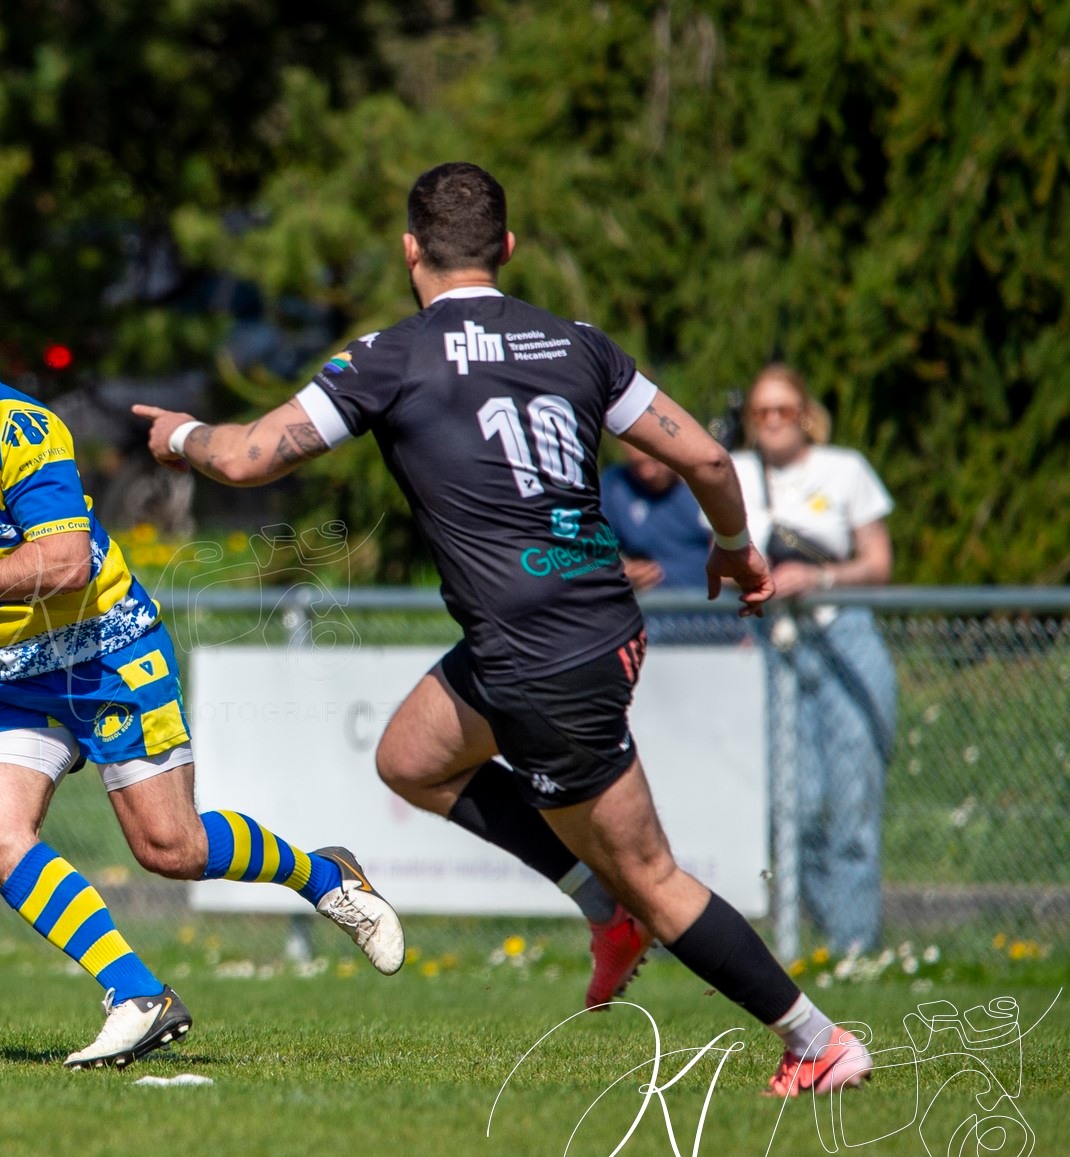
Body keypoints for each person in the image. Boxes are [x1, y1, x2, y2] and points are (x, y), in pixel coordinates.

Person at [133, 163, 871, 1098]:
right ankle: (601, 906)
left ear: (411, 252)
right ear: (508, 249)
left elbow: (243, 457)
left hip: (541, 653)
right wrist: (737, 547)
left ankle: (815, 1040)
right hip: (581, 624)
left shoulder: (389, 357)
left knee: (652, 873)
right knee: (411, 756)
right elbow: (707, 456)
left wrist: (180, 436)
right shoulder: (579, 345)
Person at [0, 262, 404, 1071]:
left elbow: (62, 563)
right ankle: (137, 995)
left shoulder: (22, 432)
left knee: (171, 850)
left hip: (107, 647)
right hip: (13, 664)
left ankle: (325, 876)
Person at [733, 364, 896, 953]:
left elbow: (878, 563)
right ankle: (819, 940)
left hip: (842, 636)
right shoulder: (735, 474)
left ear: (805, 414)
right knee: (792, 810)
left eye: (783, 410)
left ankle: (855, 949)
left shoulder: (844, 469)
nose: (773, 422)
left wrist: (821, 576)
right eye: (760, 412)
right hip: (776, 647)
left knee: (852, 807)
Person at [600, 439, 710, 592]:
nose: (647, 473)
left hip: (713, 608)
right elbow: (592, 552)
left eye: (654, 461)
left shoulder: (706, 485)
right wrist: (620, 571)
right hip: (651, 609)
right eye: (636, 464)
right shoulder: (615, 486)